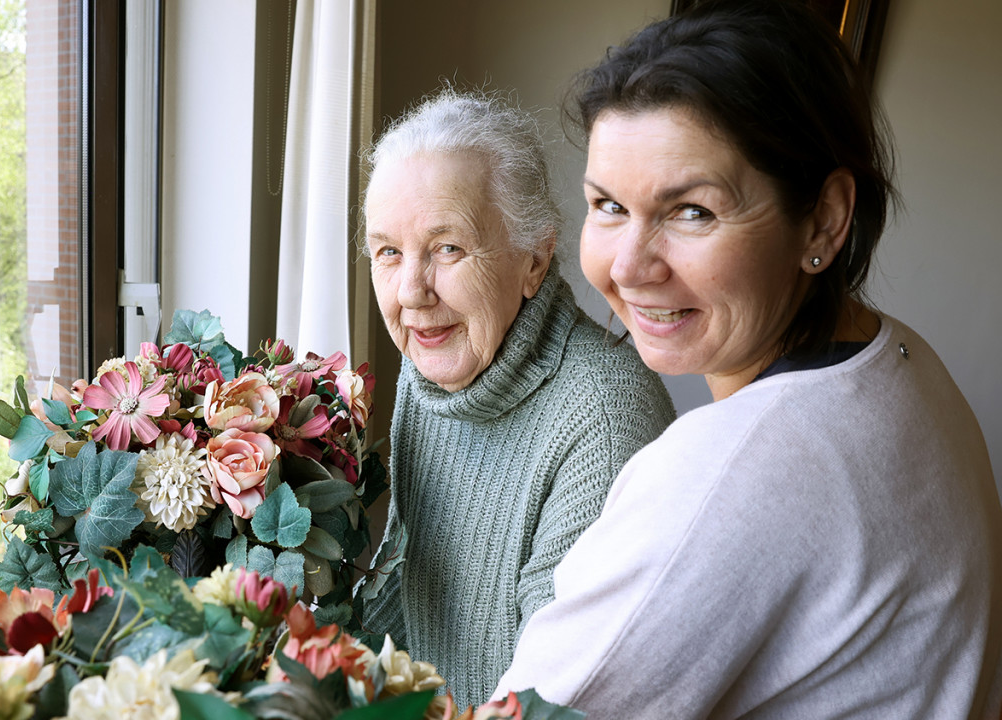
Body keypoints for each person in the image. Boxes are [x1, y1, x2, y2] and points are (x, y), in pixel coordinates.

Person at [494, 2, 1002, 717]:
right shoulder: (902, 359)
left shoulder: (725, 476)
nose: (631, 267)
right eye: (607, 205)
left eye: (691, 211)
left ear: (824, 219)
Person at [360, 89, 675, 707]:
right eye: (388, 252)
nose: (412, 291)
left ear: (534, 259)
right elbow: (404, 594)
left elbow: (549, 700)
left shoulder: (603, 423)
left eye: (448, 247)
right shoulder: (434, 368)